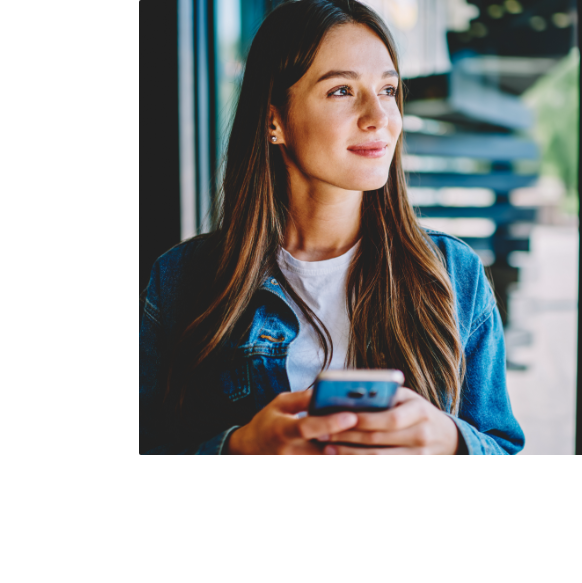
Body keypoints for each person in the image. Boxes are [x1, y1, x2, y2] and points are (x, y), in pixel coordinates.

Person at [139, 0, 524, 464]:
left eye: (387, 89)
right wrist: (235, 452)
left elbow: (508, 454)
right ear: (273, 119)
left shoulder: (455, 276)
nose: (378, 117)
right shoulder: (182, 280)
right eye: (342, 90)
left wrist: (452, 445)